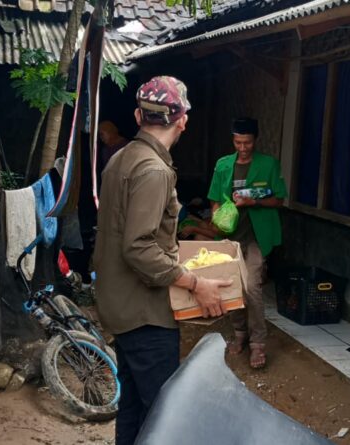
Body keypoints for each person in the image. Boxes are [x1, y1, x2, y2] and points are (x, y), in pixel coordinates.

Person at [91, 76, 231, 445]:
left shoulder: (122, 158)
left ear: (139, 115)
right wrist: (196, 283)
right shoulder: (152, 170)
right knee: (164, 413)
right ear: (183, 119)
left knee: (135, 407)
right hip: (145, 313)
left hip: (121, 304)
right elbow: (138, 247)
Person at [207, 117, 288, 369]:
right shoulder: (223, 165)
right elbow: (214, 199)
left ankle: (258, 344)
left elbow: (279, 200)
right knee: (232, 287)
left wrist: (254, 202)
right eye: (238, 142)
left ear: (255, 140)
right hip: (230, 237)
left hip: (256, 236)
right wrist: (216, 217)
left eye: (248, 142)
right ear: (233, 140)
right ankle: (239, 333)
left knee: (252, 287)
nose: (243, 147)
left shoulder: (268, 165)